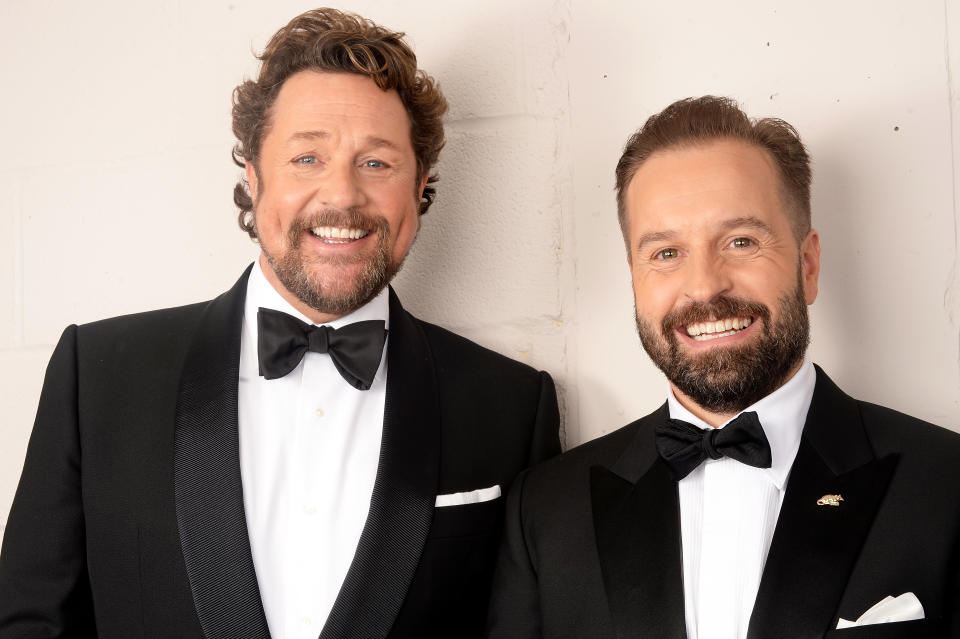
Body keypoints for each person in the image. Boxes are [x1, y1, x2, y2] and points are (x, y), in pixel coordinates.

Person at [0, 8, 560, 639]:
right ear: (253, 175)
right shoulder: (97, 375)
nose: (342, 195)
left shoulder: (512, 407)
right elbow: (31, 623)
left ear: (421, 185)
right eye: (307, 158)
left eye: (376, 163)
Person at [485, 96, 960, 638]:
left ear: (807, 265)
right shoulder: (545, 511)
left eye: (741, 242)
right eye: (666, 253)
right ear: (634, 278)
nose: (706, 285)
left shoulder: (946, 486)